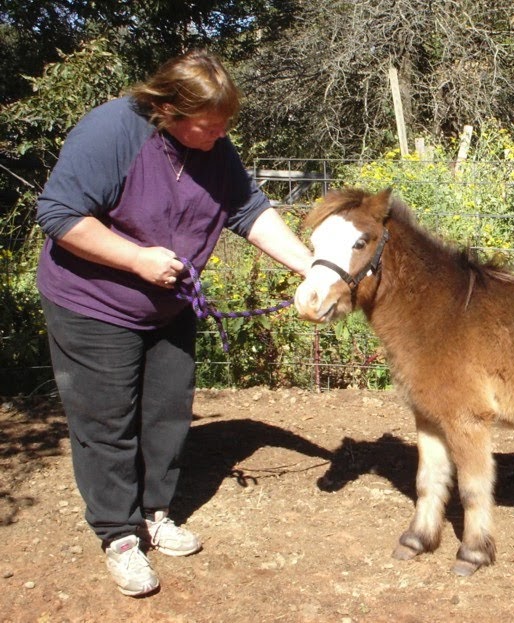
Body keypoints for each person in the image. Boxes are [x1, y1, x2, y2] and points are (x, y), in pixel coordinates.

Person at [35, 49, 313, 597]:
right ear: (167, 109)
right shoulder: (111, 133)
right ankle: (119, 534)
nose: (220, 135)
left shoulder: (213, 147)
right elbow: (60, 214)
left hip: (169, 303)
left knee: (167, 410)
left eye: (225, 125)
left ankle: (154, 513)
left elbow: (249, 210)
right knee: (107, 419)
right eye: (210, 126)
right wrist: (136, 259)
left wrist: (313, 269)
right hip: (93, 304)